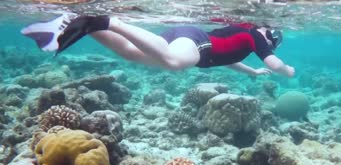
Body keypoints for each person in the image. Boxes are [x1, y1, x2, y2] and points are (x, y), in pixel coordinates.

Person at [21, 14, 295, 78]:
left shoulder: (244, 41)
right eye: (273, 36)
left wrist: (253, 73)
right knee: (174, 63)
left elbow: (227, 59)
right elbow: (275, 64)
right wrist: (289, 71)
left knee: (130, 53)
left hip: (191, 39)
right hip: (198, 44)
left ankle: (81, 25)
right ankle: (107, 20)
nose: (271, 40)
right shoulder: (255, 34)